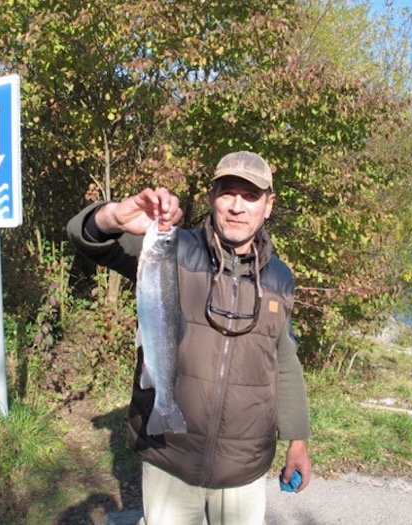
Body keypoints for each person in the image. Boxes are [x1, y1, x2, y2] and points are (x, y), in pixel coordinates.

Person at [67, 151, 312, 525]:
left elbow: (285, 361)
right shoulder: (170, 249)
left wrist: (298, 440)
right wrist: (113, 217)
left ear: (268, 205)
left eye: (250, 196)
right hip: (171, 460)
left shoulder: (281, 279)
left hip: (243, 469)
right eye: (228, 192)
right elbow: (88, 239)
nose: (237, 207)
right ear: (212, 196)